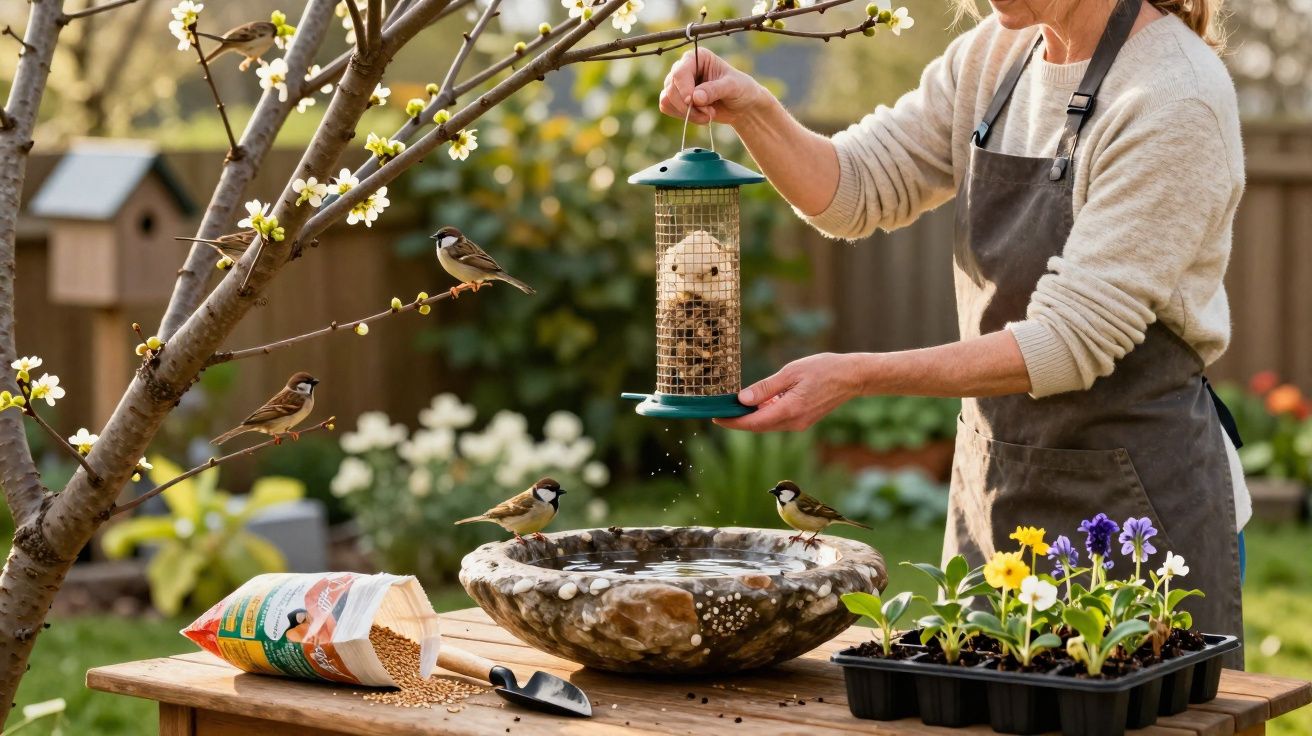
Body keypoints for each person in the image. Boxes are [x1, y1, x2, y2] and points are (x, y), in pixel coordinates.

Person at [659, 0, 1247, 658]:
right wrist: (753, 110)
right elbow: (855, 188)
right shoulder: (994, 56)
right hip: (993, 495)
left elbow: (1072, 339)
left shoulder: (1174, 94)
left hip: (1136, 510)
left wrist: (859, 375)